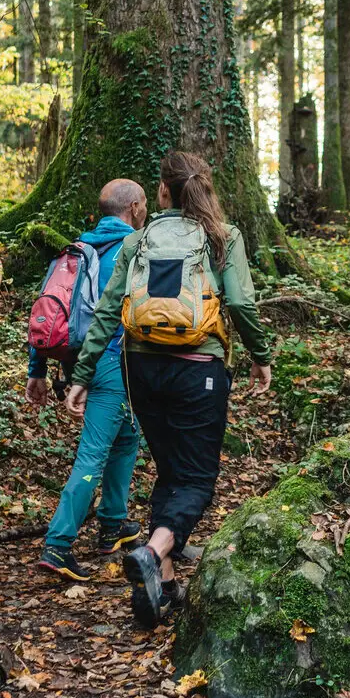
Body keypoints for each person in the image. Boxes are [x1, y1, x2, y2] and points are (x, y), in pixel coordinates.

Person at [64, 151, 273, 628]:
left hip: (141, 368)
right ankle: (153, 549)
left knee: (169, 470)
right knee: (197, 478)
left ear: (162, 192)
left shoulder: (139, 241)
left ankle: (164, 581)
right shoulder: (222, 238)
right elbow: (239, 302)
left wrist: (81, 375)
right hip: (199, 368)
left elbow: (108, 309)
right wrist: (261, 356)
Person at [30, 179, 149, 580]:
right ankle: (58, 544)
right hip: (111, 362)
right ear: (133, 207)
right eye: (144, 204)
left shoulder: (75, 250)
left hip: (75, 361)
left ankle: (112, 524)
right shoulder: (131, 250)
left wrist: (38, 370)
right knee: (93, 453)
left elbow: (49, 309)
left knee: (127, 435)